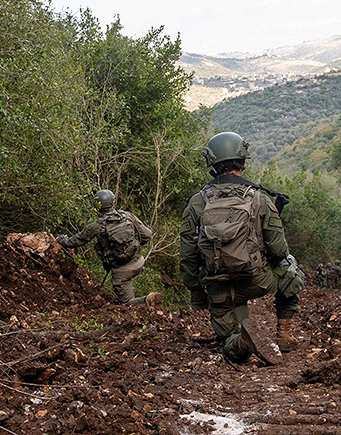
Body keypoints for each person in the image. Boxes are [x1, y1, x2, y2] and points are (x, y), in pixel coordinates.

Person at [179, 132, 302, 365]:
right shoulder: (260, 199)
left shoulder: (197, 202)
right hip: (257, 282)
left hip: (219, 290)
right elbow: (279, 250)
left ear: (211, 163)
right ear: (243, 161)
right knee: (290, 267)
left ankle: (241, 343)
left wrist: (196, 293)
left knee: (230, 340)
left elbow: (187, 256)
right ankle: (284, 334)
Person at [57, 190, 161, 307]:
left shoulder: (96, 226)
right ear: (113, 203)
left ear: (97, 206)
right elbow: (147, 235)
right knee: (125, 291)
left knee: (127, 304)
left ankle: (147, 300)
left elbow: (76, 240)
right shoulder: (128, 216)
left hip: (121, 272)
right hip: (138, 261)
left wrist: (63, 241)